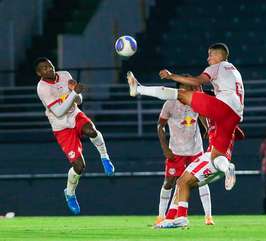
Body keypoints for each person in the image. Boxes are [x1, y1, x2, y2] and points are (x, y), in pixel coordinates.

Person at [127, 42, 244, 227]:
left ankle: (139, 89)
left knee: (180, 94)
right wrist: (211, 126)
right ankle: (181, 216)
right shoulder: (234, 72)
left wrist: (171, 75)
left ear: (220, 56)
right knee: (208, 164)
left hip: (224, 109)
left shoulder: (217, 66)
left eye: (210, 55)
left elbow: (198, 81)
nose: (208, 59)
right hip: (234, 115)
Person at [35, 57, 115, 215]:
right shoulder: (42, 88)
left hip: (74, 114)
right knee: (79, 166)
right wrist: (74, 92)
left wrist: (76, 92)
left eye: (50, 66)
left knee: (92, 130)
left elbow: (78, 100)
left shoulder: (64, 75)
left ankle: (105, 157)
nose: (49, 69)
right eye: (44, 68)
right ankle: (70, 193)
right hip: (61, 126)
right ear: (39, 73)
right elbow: (58, 112)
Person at [156, 82, 214, 226]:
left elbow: (201, 114)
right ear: (179, 88)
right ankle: (161, 216)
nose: (189, 89)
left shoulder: (195, 100)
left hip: (195, 149)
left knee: (201, 180)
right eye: (186, 87)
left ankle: (208, 217)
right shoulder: (170, 103)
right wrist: (165, 149)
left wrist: (207, 127)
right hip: (176, 150)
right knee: (169, 182)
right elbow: (160, 125)